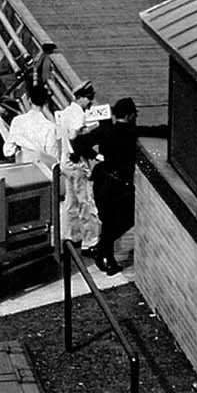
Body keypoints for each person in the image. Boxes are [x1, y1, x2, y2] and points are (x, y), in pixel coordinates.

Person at [72, 96, 139, 275]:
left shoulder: (106, 130)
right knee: (127, 219)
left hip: (102, 181)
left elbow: (78, 142)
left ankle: (103, 253)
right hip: (119, 185)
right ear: (131, 115)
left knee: (108, 221)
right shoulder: (131, 133)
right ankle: (104, 254)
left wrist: (95, 156)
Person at [55, 82, 99, 253]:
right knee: (86, 202)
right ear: (80, 97)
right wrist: (83, 148)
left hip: (65, 162)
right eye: (88, 98)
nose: (90, 102)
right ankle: (90, 240)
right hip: (77, 163)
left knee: (70, 201)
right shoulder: (78, 114)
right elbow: (74, 134)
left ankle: (69, 235)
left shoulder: (65, 112)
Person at [3, 84, 59, 170]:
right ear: (45, 102)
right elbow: (53, 157)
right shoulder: (50, 127)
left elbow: (8, 151)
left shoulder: (17, 121)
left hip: (23, 168)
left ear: (29, 100)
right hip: (42, 172)